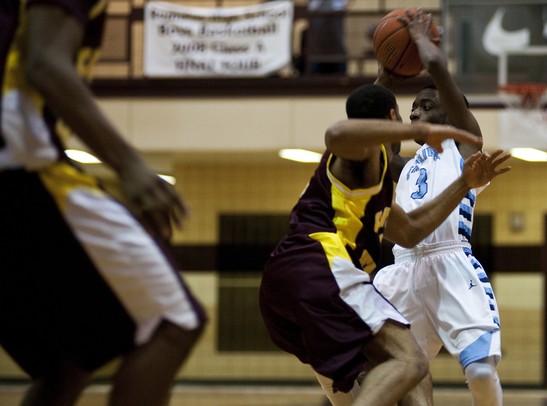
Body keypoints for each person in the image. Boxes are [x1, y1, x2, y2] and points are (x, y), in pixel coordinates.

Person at [0, 1, 206, 405]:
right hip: (19, 167)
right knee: (174, 321)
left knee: (70, 358)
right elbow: (45, 63)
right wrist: (129, 166)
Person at [259, 82, 511, 406]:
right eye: (408, 113)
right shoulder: (363, 155)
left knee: (366, 379)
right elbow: (338, 132)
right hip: (320, 267)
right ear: (394, 118)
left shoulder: (379, 186)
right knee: (411, 362)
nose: (415, 115)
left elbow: (410, 230)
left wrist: (464, 183)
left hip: (285, 280)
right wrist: (416, 129)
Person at [373, 9, 503, 406]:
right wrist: (384, 77)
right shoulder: (405, 166)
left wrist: (419, 40)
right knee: (396, 371)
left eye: (425, 105)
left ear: (450, 112)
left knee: (480, 371)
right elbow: (378, 129)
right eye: (412, 108)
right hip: (402, 271)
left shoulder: (464, 148)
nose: (414, 113)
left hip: (451, 263)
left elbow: (437, 70)